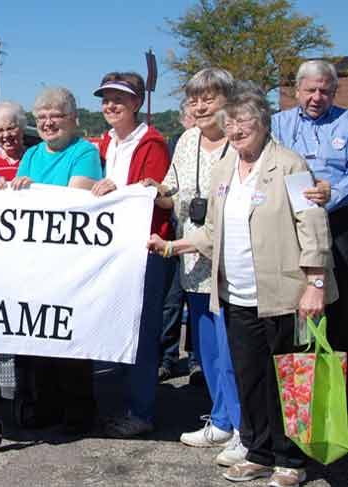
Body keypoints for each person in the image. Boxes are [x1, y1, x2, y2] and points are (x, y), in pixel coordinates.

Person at [148, 85, 336, 487]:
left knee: (286, 379)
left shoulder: (289, 165)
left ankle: (290, 460)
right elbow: (212, 230)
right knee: (250, 379)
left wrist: (315, 283)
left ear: (264, 124)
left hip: (285, 296)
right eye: (229, 122)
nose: (234, 129)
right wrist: (171, 247)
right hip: (235, 296)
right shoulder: (224, 172)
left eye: (242, 121)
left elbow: (314, 227)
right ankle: (257, 452)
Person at [145, 68, 245, 465]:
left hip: (229, 260)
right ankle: (221, 419)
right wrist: (151, 192)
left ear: (229, 101)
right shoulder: (186, 140)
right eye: (194, 99)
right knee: (207, 349)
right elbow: (171, 190)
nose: (201, 106)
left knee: (233, 349)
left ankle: (243, 428)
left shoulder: (239, 143)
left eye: (210, 98)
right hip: (191, 258)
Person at [1, 87, 101, 434]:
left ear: (73, 119)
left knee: (67, 336)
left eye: (55, 116)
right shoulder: (29, 156)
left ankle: (77, 411)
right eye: (42, 117)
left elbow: (71, 202)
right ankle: (39, 405)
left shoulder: (84, 152)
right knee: (34, 334)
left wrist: (33, 193)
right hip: (32, 263)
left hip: (68, 262)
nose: (47, 123)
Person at [89, 72, 172, 438]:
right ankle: (113, 405)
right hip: (111, 249)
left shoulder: (151, 143)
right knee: (110, 325)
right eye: (106, 99)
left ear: (137, 103)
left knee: (142, 329)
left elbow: (154, 194)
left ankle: (141, 410)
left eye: (119, 99)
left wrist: (117, 189)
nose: (111, 105)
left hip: (143, 247)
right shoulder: (103, 144)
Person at [272, 59, 348, 353]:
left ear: (334, 91)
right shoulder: (277, 124)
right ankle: (297, 361)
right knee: (295, 293)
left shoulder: (345, 121)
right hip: (290, 221)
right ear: (296, 90)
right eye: (311, 90)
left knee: (338, 297)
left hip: (337, 219)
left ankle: (336, 361)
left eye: (325, 91)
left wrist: (335, 193)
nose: (317, 97)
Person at [159, 98, 198, 383]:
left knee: (198, 304)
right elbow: (166, 187)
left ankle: (196, 362)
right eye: (191, 119)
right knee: (171, 303)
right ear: (183, 120)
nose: (195, 125)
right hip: (174, 233)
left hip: (202, 238)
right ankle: (167, 357)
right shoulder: (176, 144)